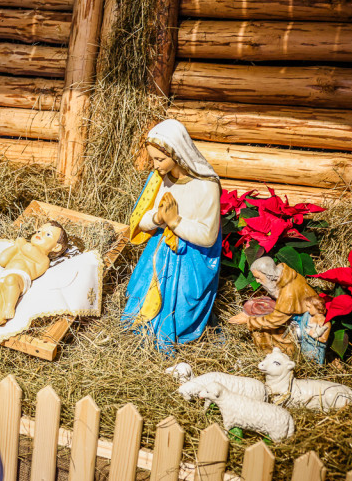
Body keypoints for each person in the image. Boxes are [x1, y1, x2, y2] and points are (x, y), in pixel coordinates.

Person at [122, 119, 222, 349]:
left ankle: (171, 329)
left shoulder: (206, 185)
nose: (155, 165)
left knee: (180, 306)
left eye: (160, 159)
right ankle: (143, 327)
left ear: (177, 154)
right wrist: (158, 219)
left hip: (191, 258)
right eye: (153, 159)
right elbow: (144, 219)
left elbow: (208, 236)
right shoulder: (161, 179)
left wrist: (175, 222)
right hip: (158, 253)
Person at [229, 255, 318, 355]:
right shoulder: (283, 275)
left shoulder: (288, 292)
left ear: (269, 275)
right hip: (291, 316)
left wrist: (249, 320)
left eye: (258, 277)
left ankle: (274, 354)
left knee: (262, 330)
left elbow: (275, 320)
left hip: (301, 324)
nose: (257, 281)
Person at [0, 222, 69, 326]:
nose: (40, 233)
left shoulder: (44, 259)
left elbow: (29, 249)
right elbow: (2, 260)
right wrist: (15, 247)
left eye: (48, 234)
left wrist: (21, 244)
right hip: (5, 275)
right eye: (39, 231)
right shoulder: (22, 249)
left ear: (56, 247)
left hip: (20, 278)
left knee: (11, 280)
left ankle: (9, 306)